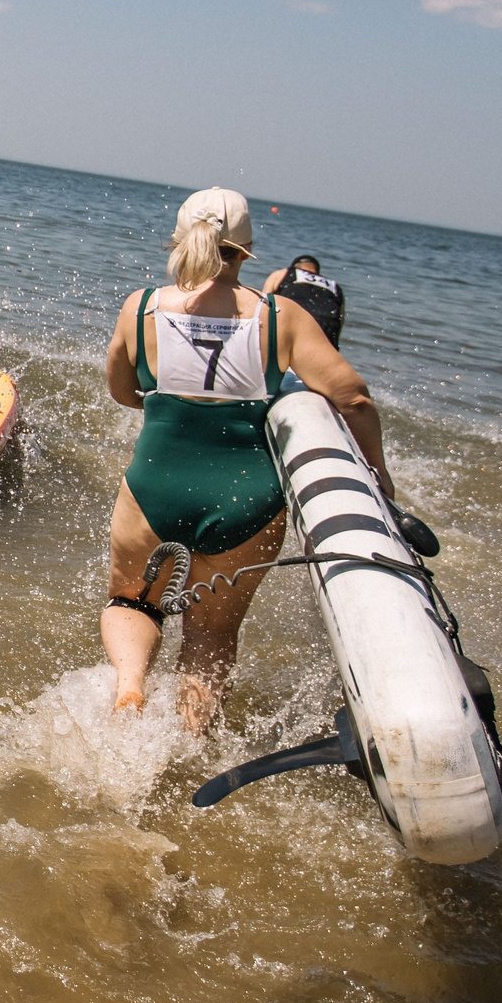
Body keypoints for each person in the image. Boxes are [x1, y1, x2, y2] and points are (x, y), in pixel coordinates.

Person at [101, 189, 391, 731]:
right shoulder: (279, 315)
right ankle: (191, 744)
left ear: (179, 241)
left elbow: (121, 389)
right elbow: (353, 397)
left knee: (134, 602)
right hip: (245, 498)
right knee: (211, 631)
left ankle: (130, 687)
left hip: (156, 483)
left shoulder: (142, 307)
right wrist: (379, 474)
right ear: (246, 249)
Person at [262, 253, 345, 348]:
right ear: (319, 273)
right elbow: (340, 320)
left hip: (295, 319)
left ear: (294, 267)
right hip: (326, 329)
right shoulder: (334, 286)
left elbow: (263, 303)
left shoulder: (284, 273)